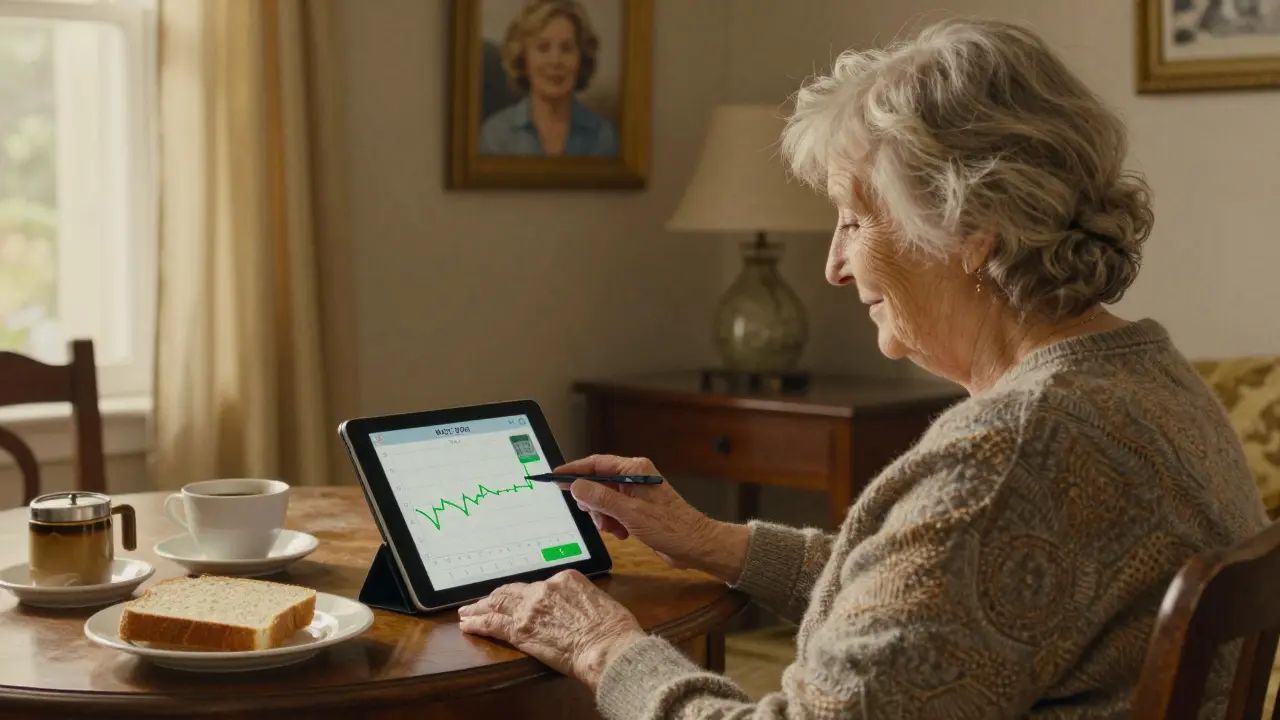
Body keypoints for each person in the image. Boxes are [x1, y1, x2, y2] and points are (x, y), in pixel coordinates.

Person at [459, 17, 1269, 719]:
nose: (835, 268)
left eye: (853, 219)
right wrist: (710, 542)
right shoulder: (1141, 372)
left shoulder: (1013, 453)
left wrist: (603, 647)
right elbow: (933, 607)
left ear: (970, 229)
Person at [478, 0, 618, 158]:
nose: (555, 61)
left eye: (567, 49)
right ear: (524, 59)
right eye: (543, 48)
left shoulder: (603, 136)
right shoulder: (496, 136)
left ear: (582, 58)